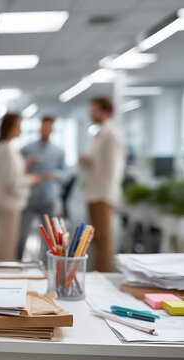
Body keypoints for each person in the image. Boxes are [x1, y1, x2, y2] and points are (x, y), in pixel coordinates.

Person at [79, 97, 125, 272]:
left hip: (103, 193)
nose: (91, 113)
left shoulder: (111, 134)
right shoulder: (100, 133)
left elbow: (114, 167)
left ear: (106, 111)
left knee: (103, 238)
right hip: (94, 191)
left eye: (94, 110)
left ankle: (104, 275)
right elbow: (99, 162)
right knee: (96, 238)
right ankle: (99, 272)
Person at [0, 113, 41, 260]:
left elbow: (10, 173)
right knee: (7, 245)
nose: (20, 130)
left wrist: (24, 165)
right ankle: (3, 276)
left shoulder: (5, 148)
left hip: (7, 203)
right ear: (10, 128)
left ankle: (4, 275)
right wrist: (32, 179)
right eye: (18, 126)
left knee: (6, 242)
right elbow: (11, 182)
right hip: (9, 203)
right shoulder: (6, 149)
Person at [18, 116, 66, 261]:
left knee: (50, 239)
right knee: (21, 235)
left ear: (52, 129)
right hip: (29, 198)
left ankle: (47, 267)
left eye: (48, 128)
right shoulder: (27, 149)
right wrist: (27, 163)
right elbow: (17, 170)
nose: (45, 130)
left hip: (48, 198)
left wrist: (55, 175)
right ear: (40, 128)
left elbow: (65, 174)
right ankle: (18, 263)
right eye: (43, 127)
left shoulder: (59, 151)